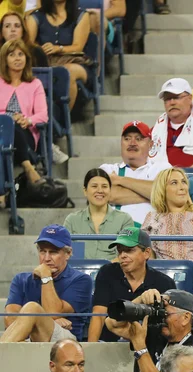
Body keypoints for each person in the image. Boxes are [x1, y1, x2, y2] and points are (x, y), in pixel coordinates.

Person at [2, 225, 93, 342]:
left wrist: (46, 276)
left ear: (68, 253)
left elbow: (53, 312)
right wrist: (49, 321)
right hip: (27, 338)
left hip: (66, 342)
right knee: (31, 313)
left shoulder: (81, 280)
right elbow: (10, 320)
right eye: (42, 251)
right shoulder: (21, 279)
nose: (46, 258)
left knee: (32, 308)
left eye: (53, 252)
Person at [87, 227, 176, 343]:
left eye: (129, 250)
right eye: (120, 251)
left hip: (149, 346)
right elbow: (98, 315)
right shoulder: (107, 273)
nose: (122, 255)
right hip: (110, 344)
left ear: (146, 253)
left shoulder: (164, 283)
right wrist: (91, 350)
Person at [0, 38, 48, 209]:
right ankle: (28, 167)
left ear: (27, 59)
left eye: (21, 54)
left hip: (25, 134)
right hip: (1, 131)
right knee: (8, 125)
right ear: (5, 59)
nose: (17, 58)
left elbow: (43, 115)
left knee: (15, 128)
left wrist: (27, 120)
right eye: (12, 55)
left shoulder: (34, 84)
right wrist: (7, 118)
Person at [100, 121, 172, 227]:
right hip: (116, 236)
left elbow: (168, 193)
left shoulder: (162, 168)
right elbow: (109, 195)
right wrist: (155, 196)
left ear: (150, 145)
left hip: (153, 236)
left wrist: (120, 180)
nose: (132, 143)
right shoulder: (107, 169)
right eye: (127, 139)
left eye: (139, 139)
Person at [142, 168, 193, 265]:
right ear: (162, 189)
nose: (182, 187)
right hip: (161, 274)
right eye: (174, 183)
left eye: (184, 182)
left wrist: (187, 271)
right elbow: (145, 254)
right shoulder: (152, 217)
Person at [27, 0, 91, 111]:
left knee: (66, 72)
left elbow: (78, 46)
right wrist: (39, 49)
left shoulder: (81, 15)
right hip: (45, 63)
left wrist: (58, 49)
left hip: (74, 62)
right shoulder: (35, 17)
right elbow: (28, 45)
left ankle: (63, 121)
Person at [63, 168, 134, 260]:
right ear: (85, 191)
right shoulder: (72, 220)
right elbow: (63, 253)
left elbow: (128, 254)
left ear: (110, 190)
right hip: (79, 272)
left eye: (104, 186)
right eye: (94, 186)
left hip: (114, 272)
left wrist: (104, 271)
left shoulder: (124, 219)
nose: (100, 190)